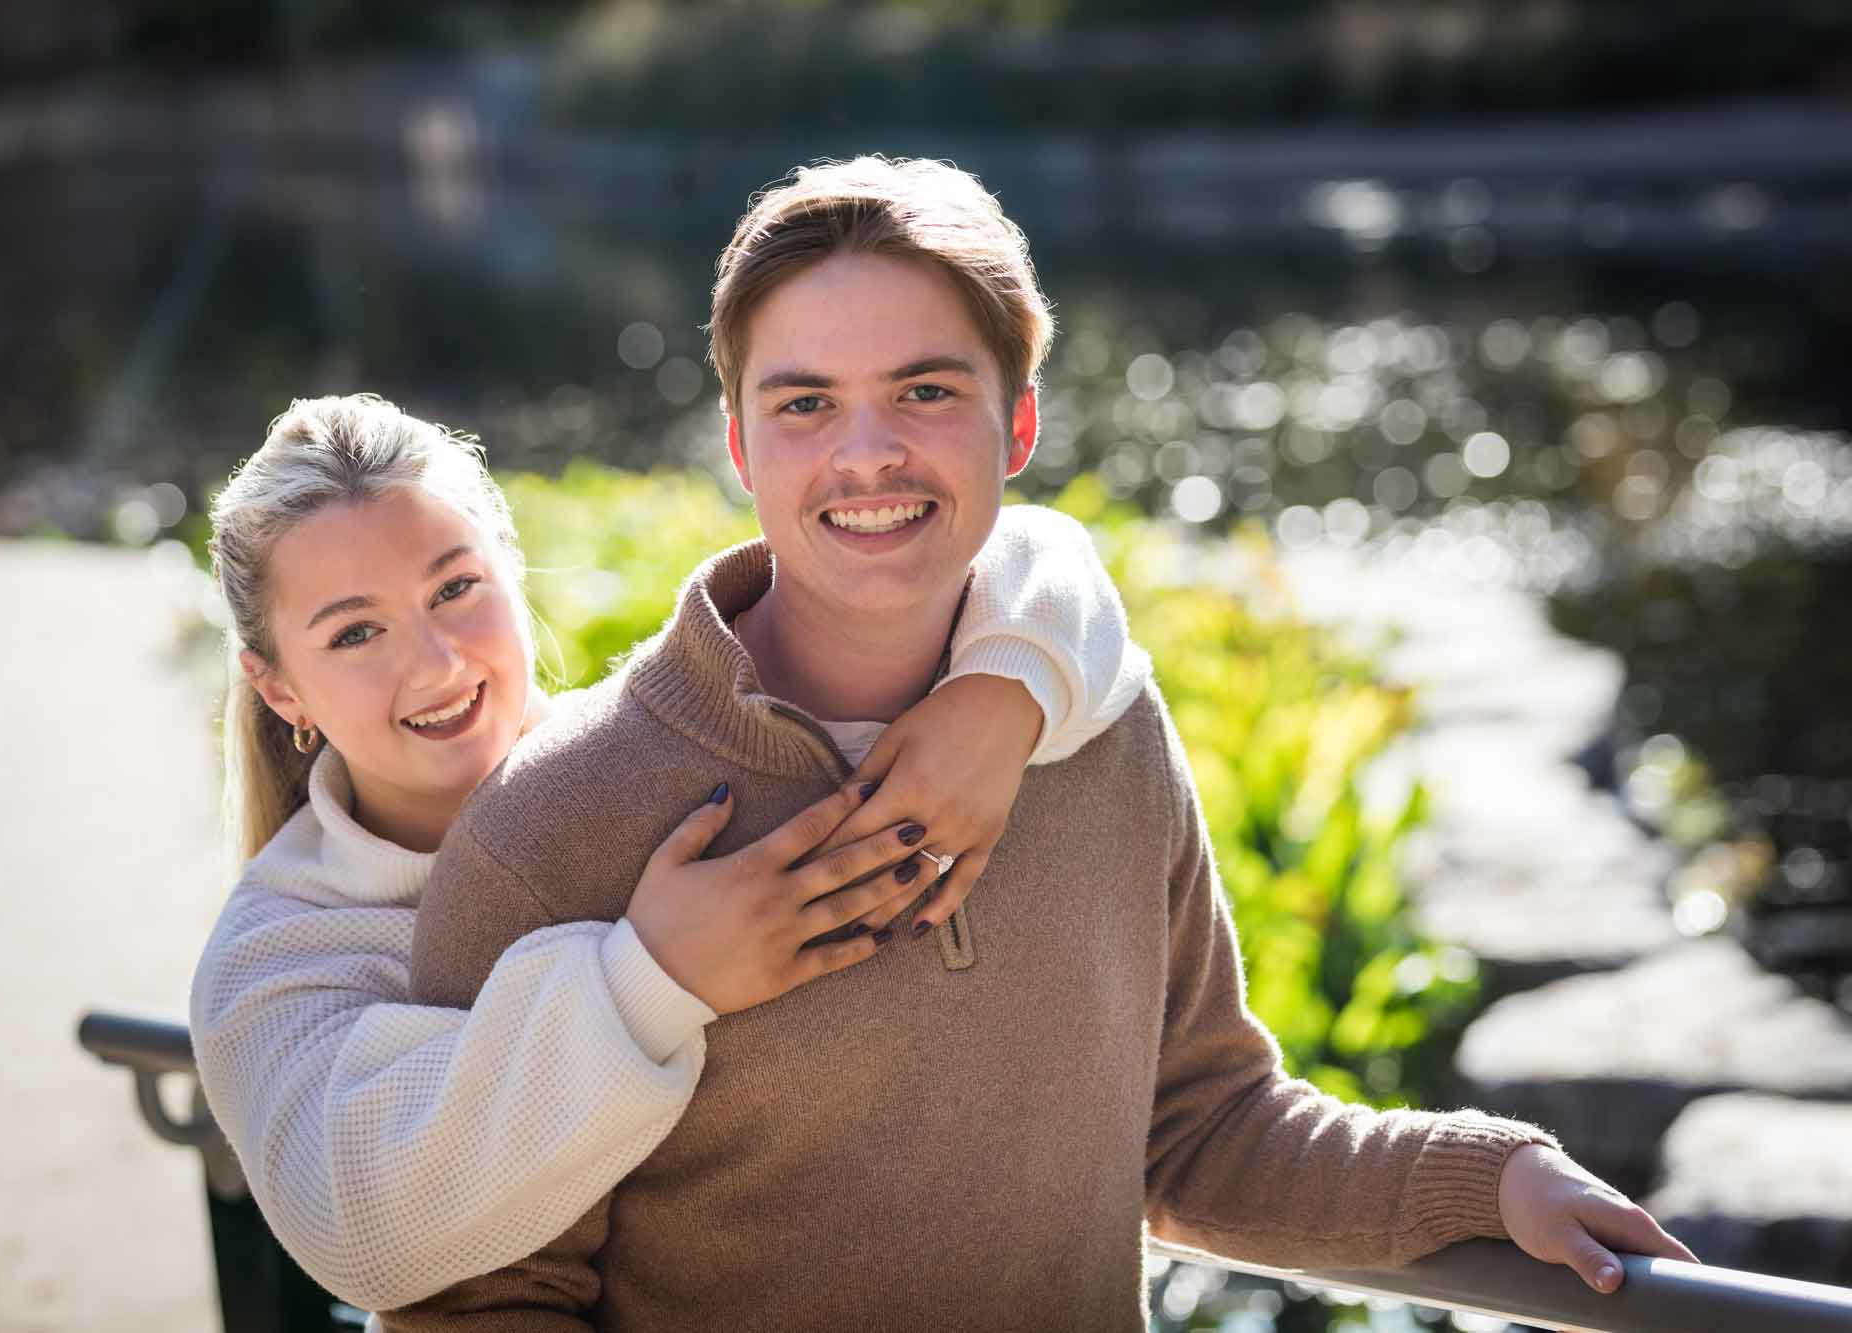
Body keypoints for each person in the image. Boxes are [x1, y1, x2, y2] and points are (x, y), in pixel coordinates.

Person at [399, 157, 1697, 1332]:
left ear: (1014, 426)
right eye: (806, 404)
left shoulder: (1104, 739)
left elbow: (1197, 1132)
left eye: (924, 390)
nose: (867, 455)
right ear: (739, 442)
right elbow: (476, 1295)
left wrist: (1492, 1176)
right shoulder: (552, 827)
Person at [188, 392, 1151, 1310]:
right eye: (356, 632)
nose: (438, 662)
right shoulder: (276, 952)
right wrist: (650, 977)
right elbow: (364, 1232)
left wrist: (1004, 688)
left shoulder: (652, 772)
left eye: (456, 587)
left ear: (510, 567)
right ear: (280, 691)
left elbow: (1041, 548)